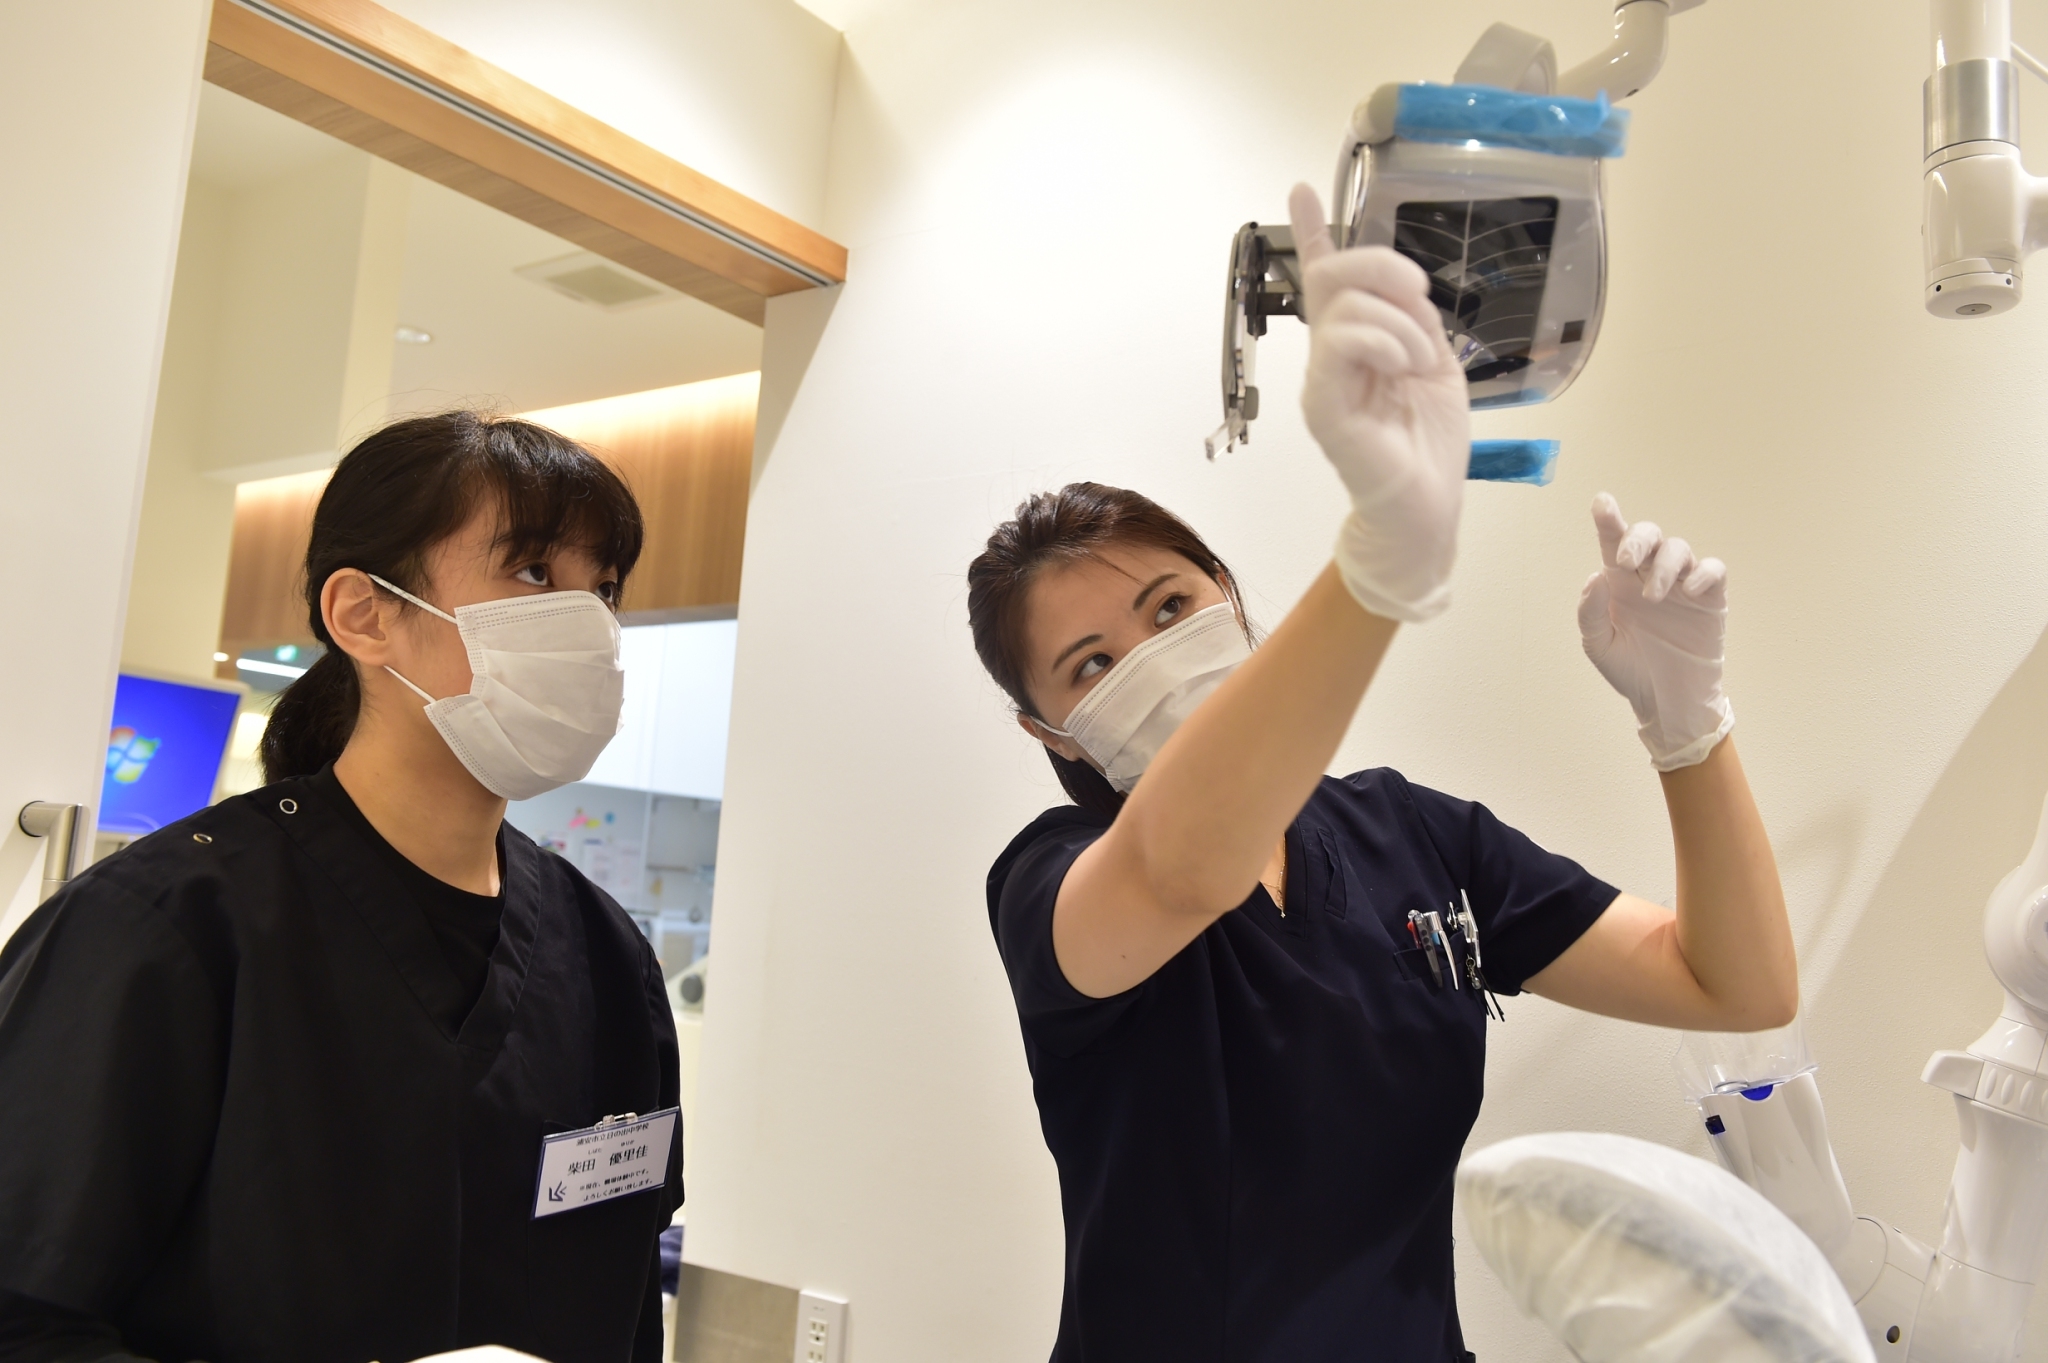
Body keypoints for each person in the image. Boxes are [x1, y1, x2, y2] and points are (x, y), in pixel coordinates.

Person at [967, 187, 1797, 1362]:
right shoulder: (1051, 883)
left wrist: (1689, 731)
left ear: (1227, 595)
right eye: (1090, 664)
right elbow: (1179, 870)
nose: (1150, 659)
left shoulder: (1412, 839)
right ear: (1051, 734)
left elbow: (1735, 985)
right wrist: (1380, 554)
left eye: (1169, 606)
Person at [0, 413, 681, 1363]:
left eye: (602, 589)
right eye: (532, 571)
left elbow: (625, 1292)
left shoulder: (607, 958)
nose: (588, 625)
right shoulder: (163, 928)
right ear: (364, 613)